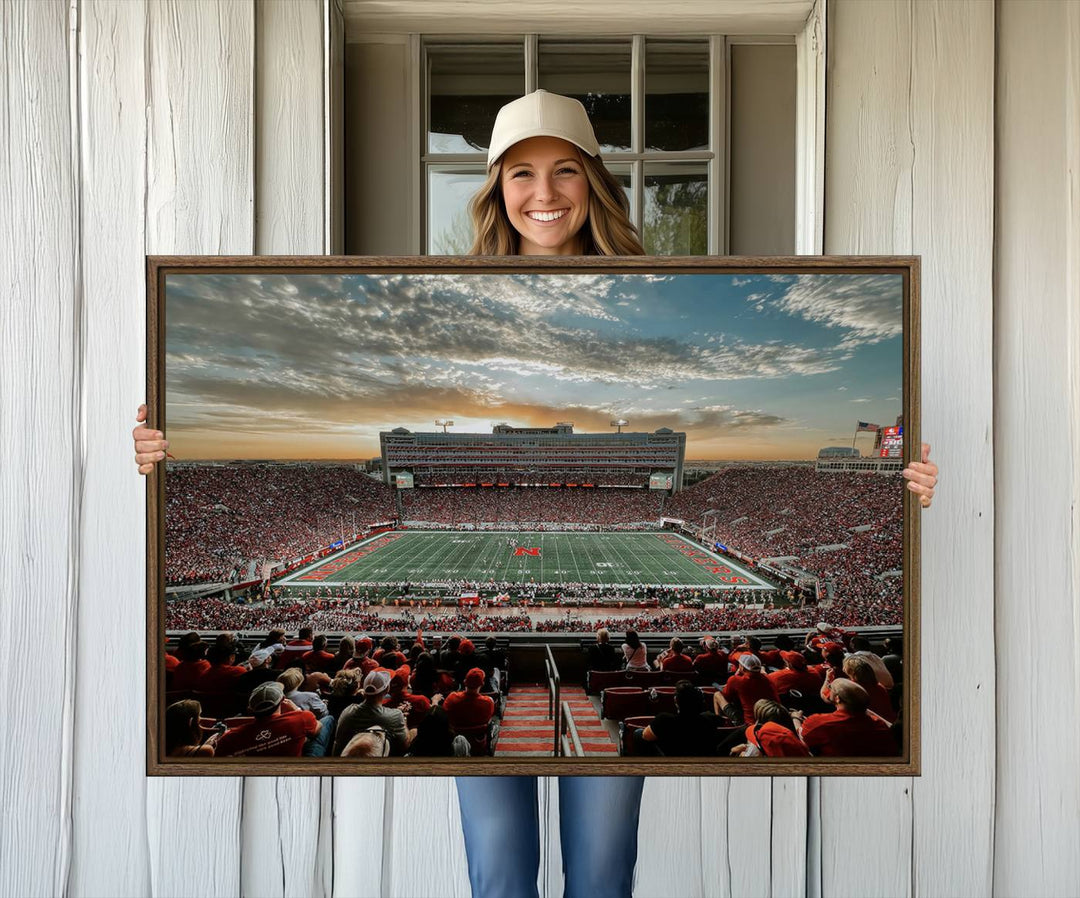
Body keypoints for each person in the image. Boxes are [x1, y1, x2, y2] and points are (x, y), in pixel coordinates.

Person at [132, 88, 939, 898]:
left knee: (601, 869)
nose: (543, 193)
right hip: (512, 673)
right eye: (521, 173)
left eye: (564, 172)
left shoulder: (654, 287)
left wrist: (904, 489)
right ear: (495, 188)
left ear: (594, 181)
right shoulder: (449, 292)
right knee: (499, 871)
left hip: (548, 660)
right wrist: (159, 449)